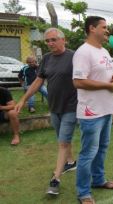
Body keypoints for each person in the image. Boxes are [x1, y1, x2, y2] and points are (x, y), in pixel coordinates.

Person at [15, 28, 78, 195]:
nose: (50, 43)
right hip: (54, 106)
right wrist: (23, 99)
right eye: (47, 41)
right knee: (62, 138)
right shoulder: (46, 59)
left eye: (53, 39)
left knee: (63, 142)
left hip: (71, 107)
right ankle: (70, 162)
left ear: (63, 40)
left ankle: (55, 179)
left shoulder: (74, 57)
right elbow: (38, 81)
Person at [73, 16, 113, 204]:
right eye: (104, 27)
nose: (107, 30)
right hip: (91, 112)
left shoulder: (104, 51)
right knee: (88, 153)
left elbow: (107, 76)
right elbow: (78, 81)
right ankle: (84, 193)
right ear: (92, 28)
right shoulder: (83, 52)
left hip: (106, 108)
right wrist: (107, 86)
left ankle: (99, 180)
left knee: (102, 148)